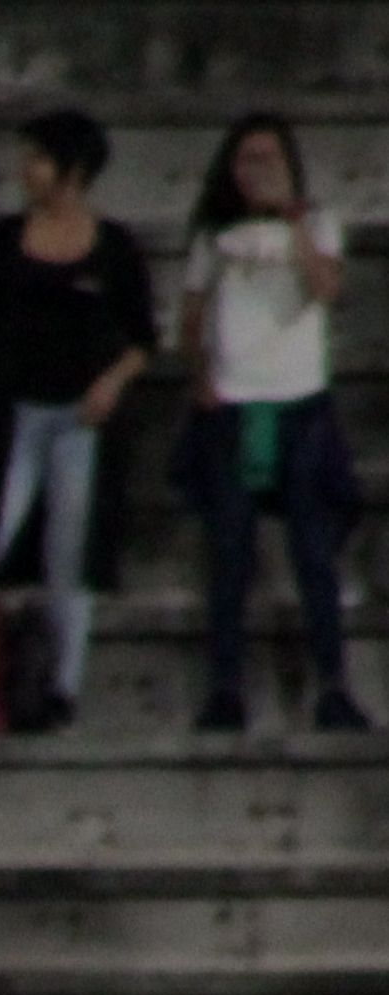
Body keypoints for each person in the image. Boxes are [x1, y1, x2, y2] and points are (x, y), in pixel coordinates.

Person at [0, 111, 156, 736]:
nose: (26, 171)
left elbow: (142, 340)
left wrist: (111, 382)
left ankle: (61, 688)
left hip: (78, 418)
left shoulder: (115, 246)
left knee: (69, 559)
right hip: (11, 413)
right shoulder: (2, 241)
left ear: (74, 170)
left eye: (39, 159)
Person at [174, 116, 366, 734]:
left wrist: (291, 221)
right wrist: (199, 375)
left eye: (269, 157)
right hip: (234, 406)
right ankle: (225, 689)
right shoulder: (214, 237)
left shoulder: (317, 223)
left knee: (313, 553)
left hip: (300, 404)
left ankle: (334, 687)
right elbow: (192, 315)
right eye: (246, 158)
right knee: (229, 552)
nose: (256, 168)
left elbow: (325, 290)